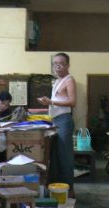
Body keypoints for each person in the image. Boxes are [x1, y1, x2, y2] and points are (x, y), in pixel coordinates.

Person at [37, 52, 77, 198]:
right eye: (55, 63)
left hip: (64, 120)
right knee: (54, 156)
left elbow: (72, 102)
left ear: (67, 65)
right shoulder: (57, 81)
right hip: (55, 121)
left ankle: (70, 190)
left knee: (65, 156)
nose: (57, 66)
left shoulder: (69, 80)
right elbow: (56, 102)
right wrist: (46, 104)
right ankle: (57, 188)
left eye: (61, 63)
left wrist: (51, 102)